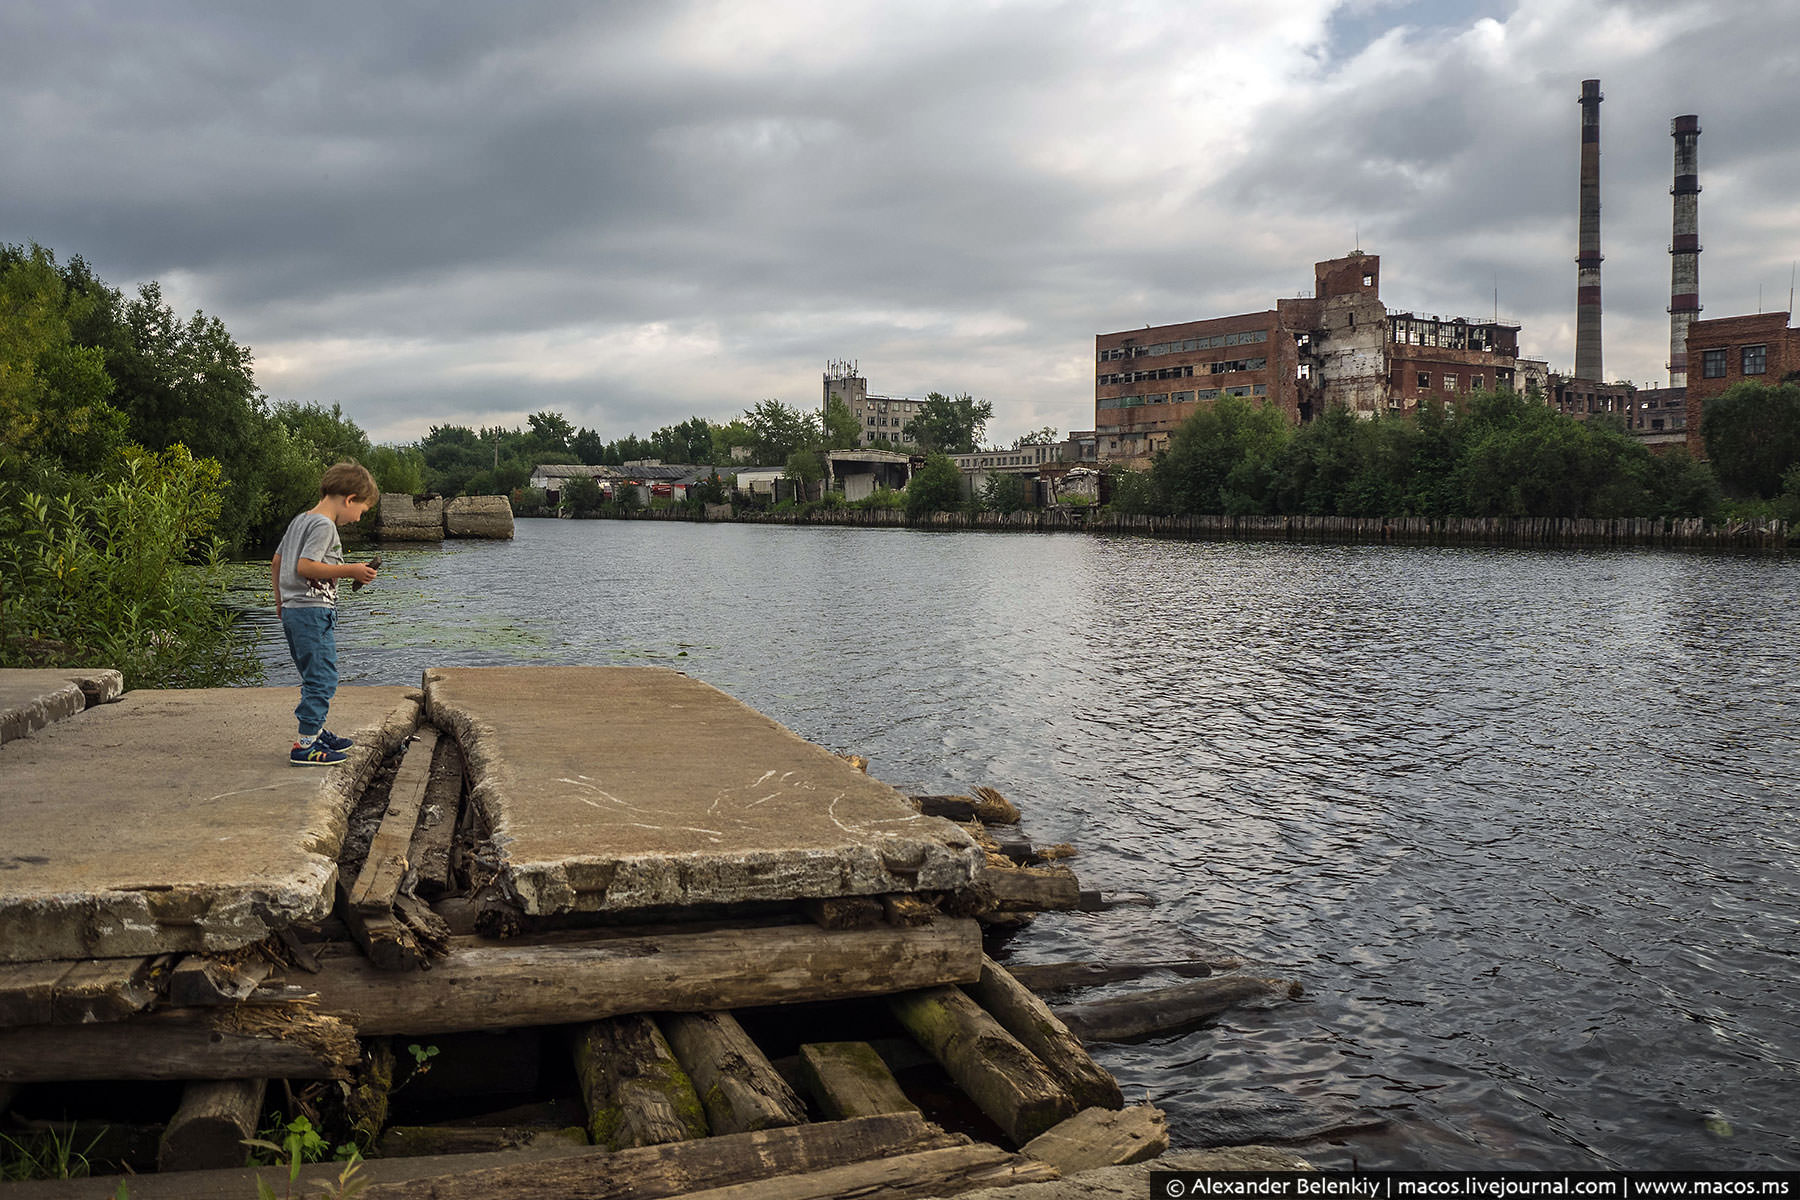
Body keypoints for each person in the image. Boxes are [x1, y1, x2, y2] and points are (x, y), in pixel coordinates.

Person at [271, 462, 380, 765]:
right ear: (349, 499)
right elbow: (305, 566)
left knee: (312, 674)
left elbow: (277, 563)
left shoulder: (300, 520)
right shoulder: (323, 525)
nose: (359, 517)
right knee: (323, 678)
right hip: (312, 611)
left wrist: (280, 602)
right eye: (362, 510)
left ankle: (315, 731)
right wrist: (351, 570)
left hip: (295, 611)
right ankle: (306, 744)